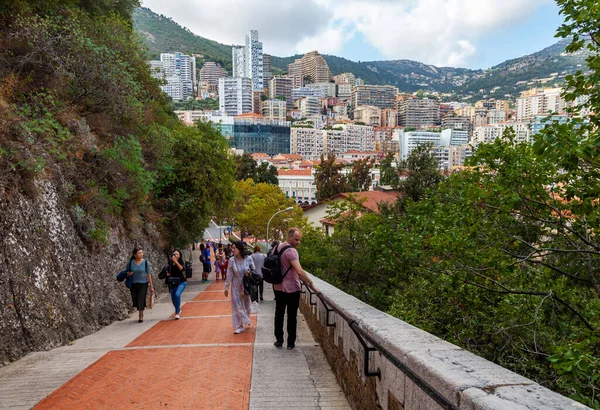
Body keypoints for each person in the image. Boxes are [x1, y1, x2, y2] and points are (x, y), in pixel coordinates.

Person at [273, 228, 317, 350]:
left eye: (299, 240)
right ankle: (291, 343)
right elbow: (299, 271)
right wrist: (311, 284)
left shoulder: (277, 247)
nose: (298, 242)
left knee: (279, 314)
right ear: (289, 237)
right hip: (292, 288)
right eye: (296, 239)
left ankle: (279, 341)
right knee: (292, 316)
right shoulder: (292, 251)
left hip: (278, 286)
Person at [224, 241, 255, 334]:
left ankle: (246, 319)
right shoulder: (231, 260)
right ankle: (239, 325)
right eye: (232, 248)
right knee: (237, 306)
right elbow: (229, 274)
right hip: (235, 286)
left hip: (246, 285)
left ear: (240, 249)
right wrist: (226, 287)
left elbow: (254, 270)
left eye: (234, 248)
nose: (232, 250)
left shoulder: (248, 259)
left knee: (246, 306)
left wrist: (249, 273)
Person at [126, 247, 153, 323]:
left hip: (143, 283)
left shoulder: (145, 263)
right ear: (135, 255)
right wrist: (128, 274)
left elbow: (149, 274)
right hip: (133, 284)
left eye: (142, 253)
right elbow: (126, 273)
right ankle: (140, 311)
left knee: (141, 299)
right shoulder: (130, 263)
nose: (141, 254)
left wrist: (151, 286)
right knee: (135, 300)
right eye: (139, 253)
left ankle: (140, 315)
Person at [166, 249, 186, 319]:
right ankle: (178, 309)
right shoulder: (170, 262)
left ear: (180, 255)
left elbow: (181, 269)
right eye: (174, 254)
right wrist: (167, 273)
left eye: (177, 254)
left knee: (177, 294)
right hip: (172, 282)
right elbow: (168, 270)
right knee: (173, 299)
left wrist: (176, 261)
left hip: (181, 282)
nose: (176, 256)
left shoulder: (181, 262)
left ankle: (177, 313)